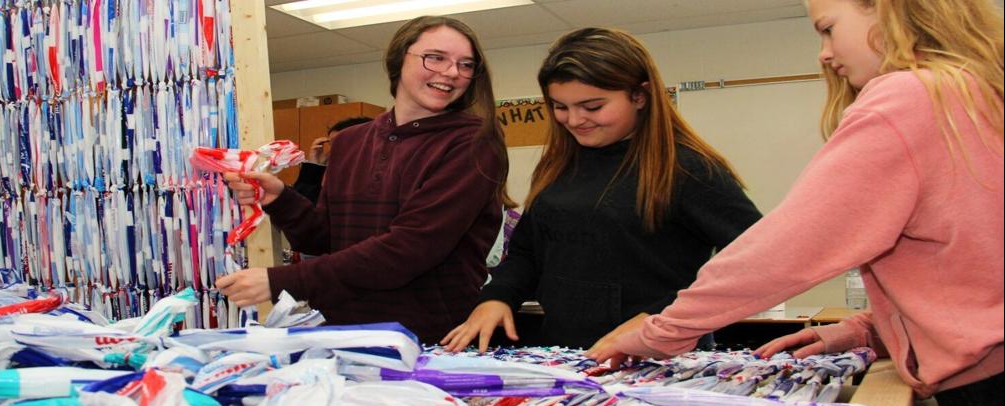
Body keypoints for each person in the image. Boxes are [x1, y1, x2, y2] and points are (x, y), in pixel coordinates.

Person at [586, 0, 1004, 406]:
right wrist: (868, 329)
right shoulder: (975, 91)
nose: (825, 54)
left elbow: (785, 248)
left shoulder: (909, 95)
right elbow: (970, 259)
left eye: (828, 30)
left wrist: (663, 331)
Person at [440, 27, 763, 352]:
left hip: (657, 358)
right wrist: (497, 298)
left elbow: (756, 259)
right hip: (568, 354)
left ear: (640, 96)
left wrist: (664, 318)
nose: (574, 120)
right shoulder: (561, 164)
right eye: (560, 106)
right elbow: (528, 252)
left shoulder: (687, 168)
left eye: (592, 107)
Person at [214, 16, 512, 343]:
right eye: (436, 57)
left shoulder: (473, 143)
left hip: (431, 341)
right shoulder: (350, 141)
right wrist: (282, 199)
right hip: (345, 334)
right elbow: (326, 240)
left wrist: (281, 280)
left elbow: (409, 249)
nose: (452, 72)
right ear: (398, 59)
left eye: (466, 64)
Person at [290, 116, 374, 203]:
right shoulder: (339, 183)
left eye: (340, 143)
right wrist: (314, 165)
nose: (332, 152)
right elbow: (305, 210)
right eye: (331, 144)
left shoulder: (378, 183)